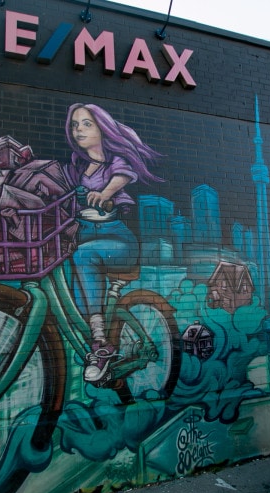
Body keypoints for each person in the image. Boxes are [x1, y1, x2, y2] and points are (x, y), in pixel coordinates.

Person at [64, 103, 163, 384]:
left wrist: (105, 193)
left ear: (102, 128)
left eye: (86, 124)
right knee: (65, 262)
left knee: (83, 256)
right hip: (83, 233)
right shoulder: (76, 166)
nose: (79, 130)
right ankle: (89, 330)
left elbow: (123, 175)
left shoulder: (114, 161)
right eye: (75, 125)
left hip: (117, 239)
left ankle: (100, 342)